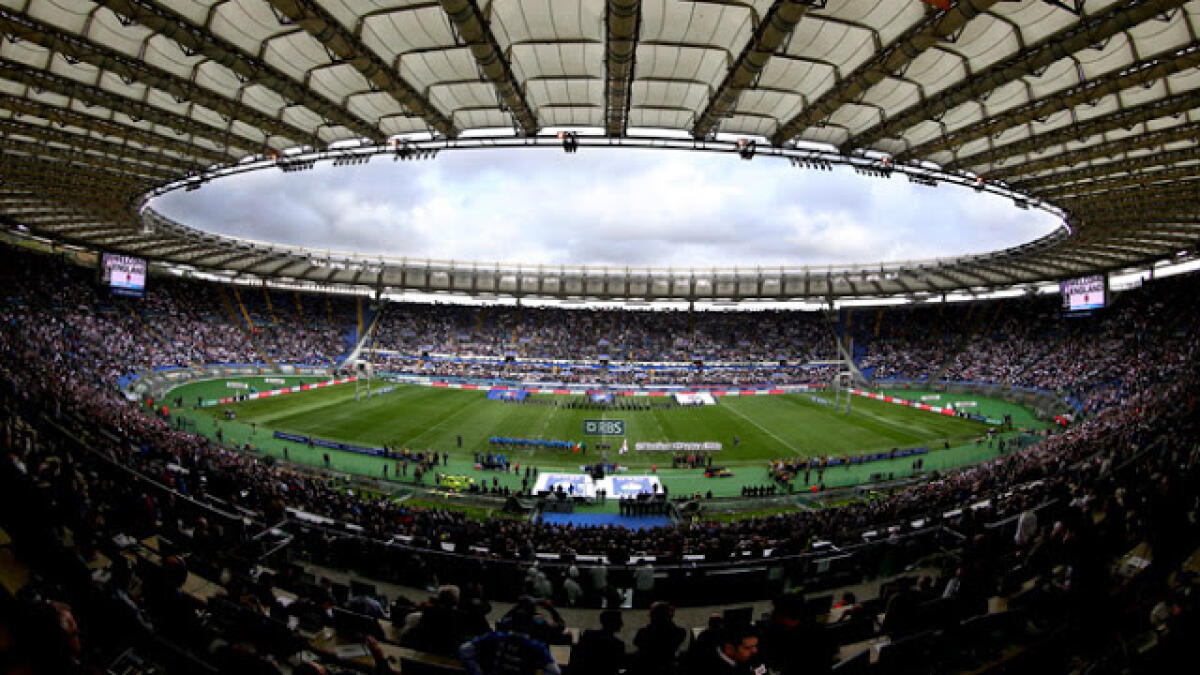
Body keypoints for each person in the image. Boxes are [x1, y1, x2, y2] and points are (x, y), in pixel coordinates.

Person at [459, 608, 561, 675]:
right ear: (530, 626)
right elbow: (555, 672)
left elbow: (464, 649)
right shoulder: (536, 647)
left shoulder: (494, 637)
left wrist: (477, 672)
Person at [691, 623, 765, 675]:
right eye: (747, 648)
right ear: (729, 649)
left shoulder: (752, 657)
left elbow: (762, 671)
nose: (755, 651)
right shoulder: (708, 667)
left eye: (755, 646)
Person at [569, 609, 625, 675]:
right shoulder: (617, 644)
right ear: (612, 622)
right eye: (619, 620)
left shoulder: (588, 636)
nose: (622, 624)